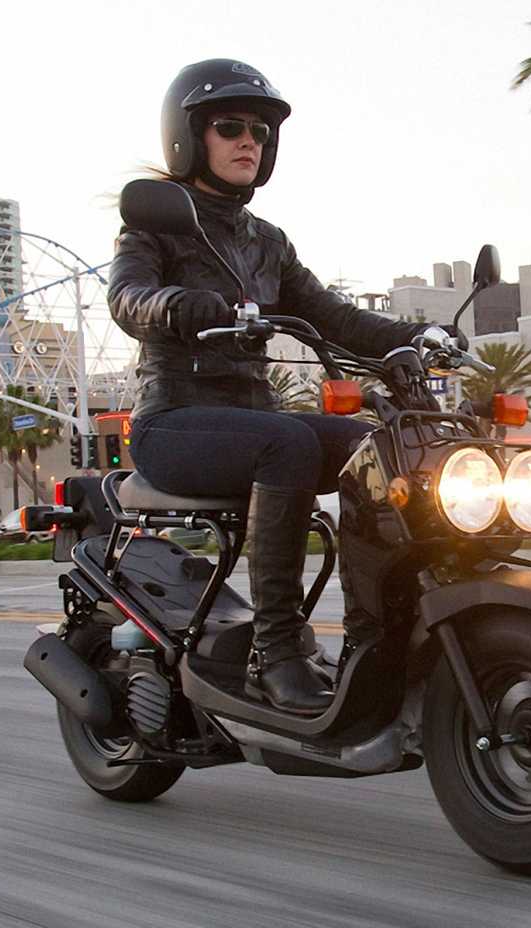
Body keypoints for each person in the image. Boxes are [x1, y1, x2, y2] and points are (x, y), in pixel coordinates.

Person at [107, 59, 457, 714]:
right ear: (189, 138)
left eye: (261, 132)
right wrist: (175, 305)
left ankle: (372, 637)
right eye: (230, 126)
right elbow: (127, 297)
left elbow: (336, 319)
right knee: (288, 445)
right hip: (173, 425)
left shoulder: (267, 243)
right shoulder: (153, 226)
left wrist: (418, 337)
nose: (249, 140)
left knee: (374, 448)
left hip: (256, 426)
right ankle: (278, 648)